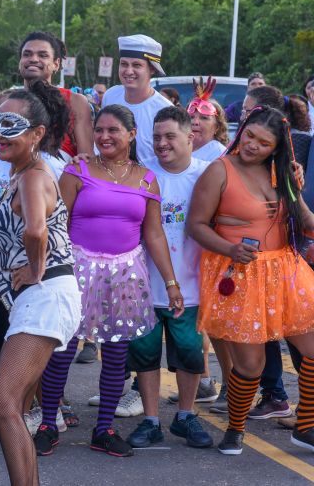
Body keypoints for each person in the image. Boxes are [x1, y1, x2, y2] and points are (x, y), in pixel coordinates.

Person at [39, 104, 182, 458]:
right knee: (63, 349)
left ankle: (104, 429)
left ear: (132, 135)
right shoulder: (77, 170)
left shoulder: (147, 177)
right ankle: (46, 422)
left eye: (113, 130)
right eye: (100, 130)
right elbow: (55, 222)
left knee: (117, 353)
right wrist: (43, 269)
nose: (104, 136)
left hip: (125, 273)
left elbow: (154, 234)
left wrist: (172, 283)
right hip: (77, 267)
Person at [188, 105, 314, 455]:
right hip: (239, 275)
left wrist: (294, 187)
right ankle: (235, 429)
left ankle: (305, 427)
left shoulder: (281, 173)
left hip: (285, 273)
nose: (252, 145)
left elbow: (306, 223)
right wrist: (229, 248)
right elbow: (195, 226)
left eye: (263, 142)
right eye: (249, 135)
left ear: (276, 148)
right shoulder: (219, 170)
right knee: (250, 366)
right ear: (240, 130)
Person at [0, 92, 81, 484]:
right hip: (36, 298)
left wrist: (36, 270)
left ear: (38, 133)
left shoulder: (35, 176)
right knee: (13, 405)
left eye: (10, 126)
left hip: (46, 295)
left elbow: (36, 230)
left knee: (1, 402)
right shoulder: (21, 174)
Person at [124, 106, 214, 450]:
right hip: (145, 287)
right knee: (145, 356)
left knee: (190, 354)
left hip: (191, 287)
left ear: (190, 137)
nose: (162, 143)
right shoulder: (143, 176)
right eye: (157, 137)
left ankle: (185, 416)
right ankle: (150, 420)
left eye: (170, 136)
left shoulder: (208, 174)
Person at [19, 31, 94, 156]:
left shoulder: (75, 101)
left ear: (56, 64)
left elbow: (87, 157)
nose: (33, 59)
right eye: (27, 54)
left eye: (43, 55)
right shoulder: (8, 103)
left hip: (63, 173)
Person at [101, 34, 173, 164]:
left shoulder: (165, 110)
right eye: (124, 64)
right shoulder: (110, 96)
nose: (128, 71)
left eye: (136, 65)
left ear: (151, 69)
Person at [187, 77, 229, 162]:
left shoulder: (220, 156)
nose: (195, 122)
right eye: (191, 117)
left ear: (217, 127)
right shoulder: (177, 148)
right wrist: (151, 175)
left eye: (204, 118)